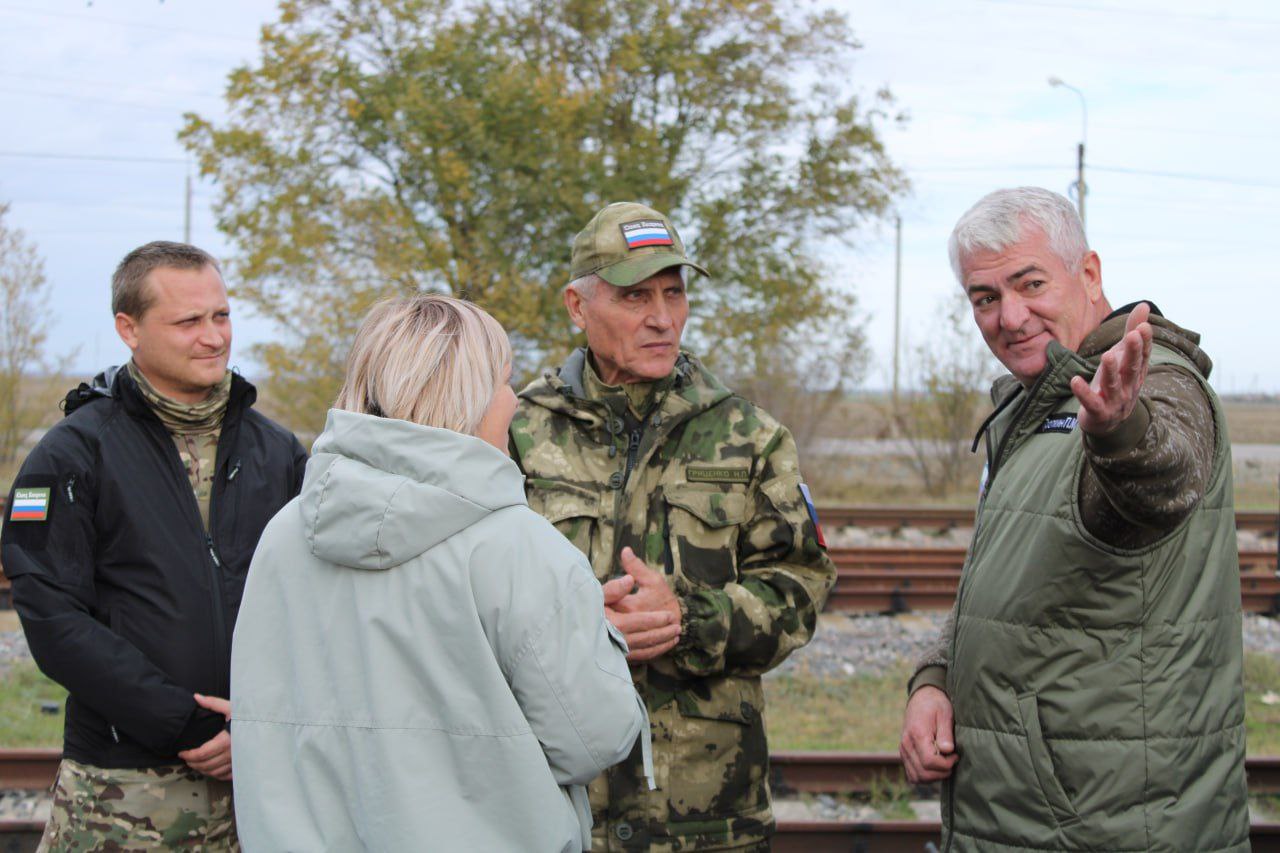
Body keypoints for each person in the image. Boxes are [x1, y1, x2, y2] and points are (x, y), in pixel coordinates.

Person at [230, 294, 648, 852]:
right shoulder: (520, 548)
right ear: (468, 397)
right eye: (504, 382)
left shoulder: (287, 531)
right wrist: (591, 633)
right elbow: (593, 739)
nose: (513, 403)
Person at [899, 187, 1248, 851]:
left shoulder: (1154, 381)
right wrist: (935, 679)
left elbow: (1158, 484)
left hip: (1114, 826)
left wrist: (1120, 433)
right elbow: (1008, 582)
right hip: (1021, 818)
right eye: (984, 297)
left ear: (1088, 273)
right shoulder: (1028, 407)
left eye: (1030, 283)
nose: (1010, 315)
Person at [510, 202, 837, 851]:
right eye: (635, 296)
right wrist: (577, 625)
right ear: (578, 306)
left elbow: (800, 591)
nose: (663, 318)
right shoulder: (518, 431)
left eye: (674, 292)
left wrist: (689, 620)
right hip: (552, 807)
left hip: (706, 819)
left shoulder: (749, 436)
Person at [0, 241, 307, 850]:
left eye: (220, 316)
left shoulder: (279, 452)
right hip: (123, 792)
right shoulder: (72, 454)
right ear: (129, 329)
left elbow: (315, 602)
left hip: (262, 780)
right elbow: (53, 618)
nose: (214, 337)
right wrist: (183, 724)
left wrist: (265, 721)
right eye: (189, 321)